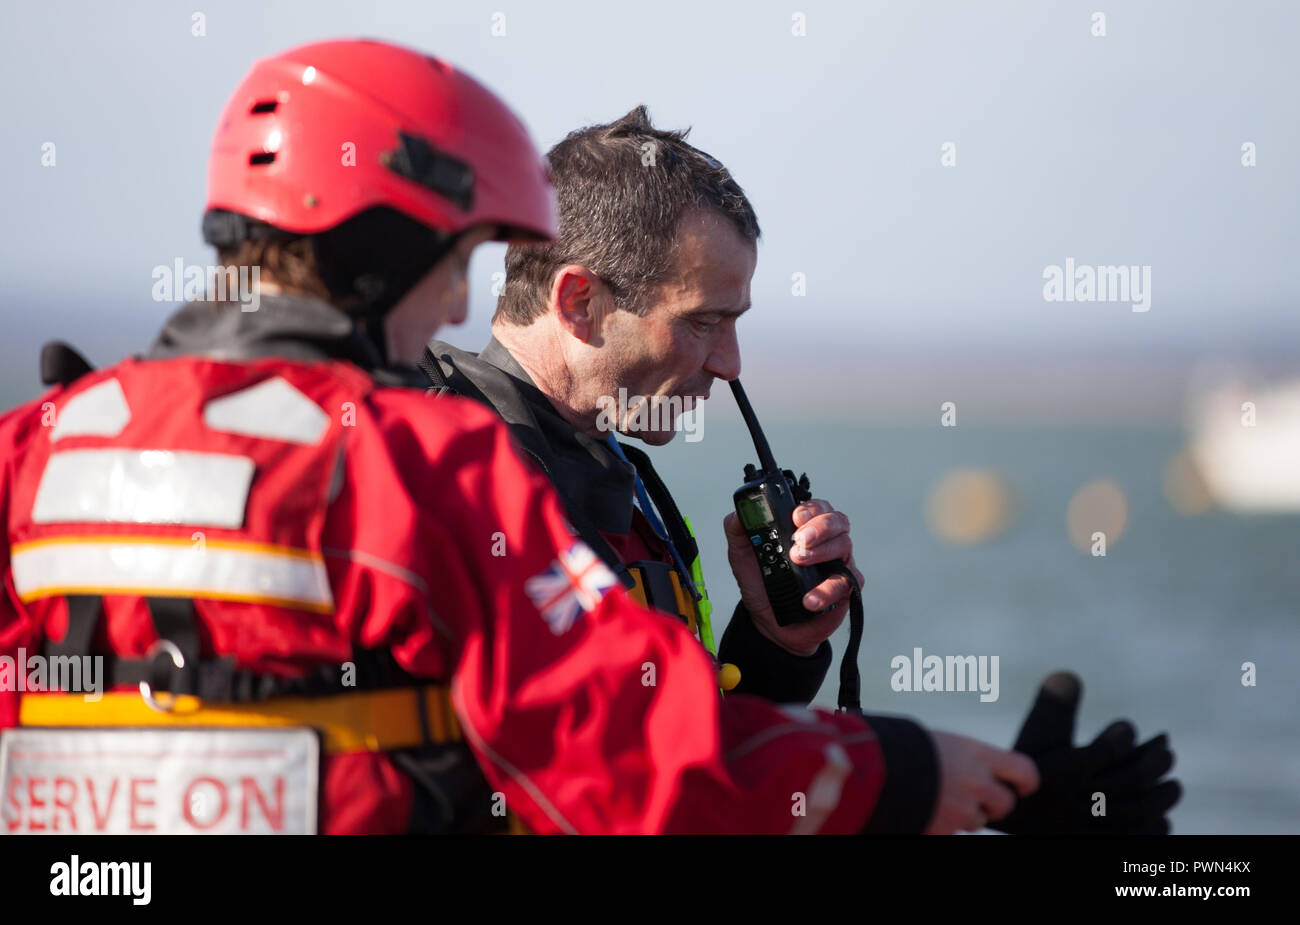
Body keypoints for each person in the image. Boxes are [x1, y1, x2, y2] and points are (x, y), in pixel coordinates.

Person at [0, 38, 1044, 835]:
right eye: (456, 266)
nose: (460, 302)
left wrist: (770, 656)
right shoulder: (417, 465)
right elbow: (633, 765)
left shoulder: (36, 446)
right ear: (382, 260)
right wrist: (910, 774)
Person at [422, 106, 1182, 833]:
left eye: (736, 323)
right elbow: (623, 777)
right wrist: (913, 781)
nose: (729, 364)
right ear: (579, 301)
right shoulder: (460, 488)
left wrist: (774, 646)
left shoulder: (611, 470)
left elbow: (698, 758)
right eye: (703, 322)